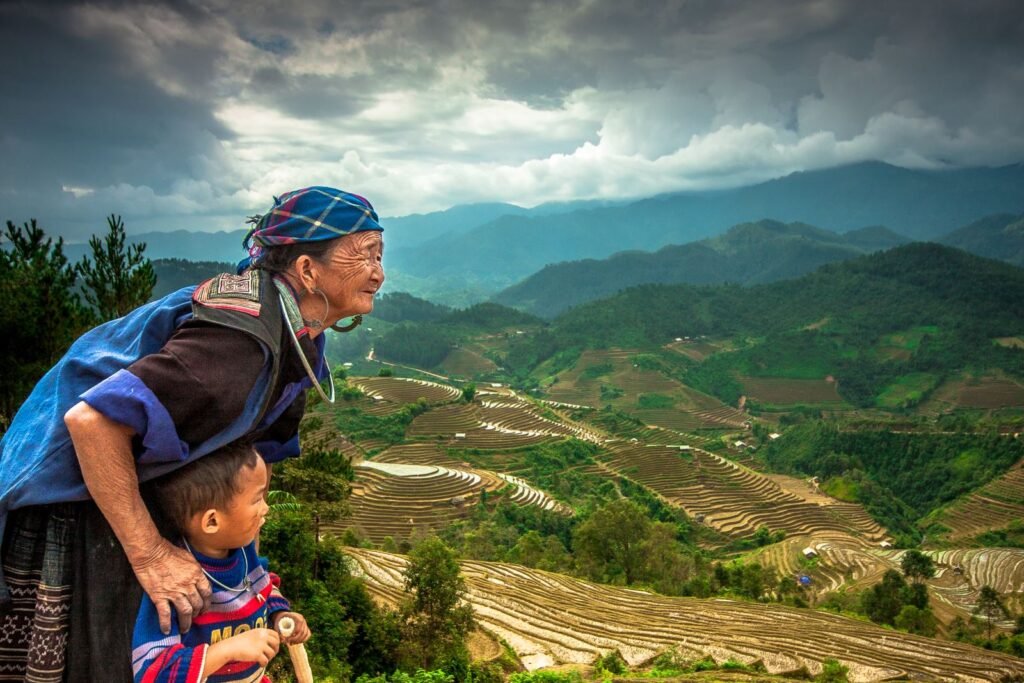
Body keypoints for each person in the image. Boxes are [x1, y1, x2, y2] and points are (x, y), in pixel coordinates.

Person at [0, 186, 383, 682]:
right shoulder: (235, 345)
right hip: (79, 496)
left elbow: (237, 472)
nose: (378, 272)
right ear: (308, 270)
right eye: (364, 256)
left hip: (144, 500)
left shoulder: (299, 338)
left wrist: (247, 586)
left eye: (380, 255)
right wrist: (152, 554)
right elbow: (90, 424)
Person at [132, 439, 309, 683]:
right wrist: (226, 650)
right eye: (257, 499)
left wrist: (280, 615)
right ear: (212, 521)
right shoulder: (174, 582)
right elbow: (153, 673)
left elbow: (263, 587)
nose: (266, 508)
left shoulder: (244, 553)